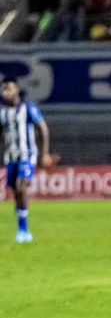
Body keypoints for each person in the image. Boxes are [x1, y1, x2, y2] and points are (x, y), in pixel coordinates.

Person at [1, 77, 54, 244]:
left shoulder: (28, 108)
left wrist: (44, 154)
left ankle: (24, 230)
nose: (5, 93)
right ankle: (21, 226)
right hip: (10, 156)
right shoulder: (2, 112)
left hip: (27, 155)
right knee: (15, 192)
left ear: (16, 89)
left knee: (22, 185)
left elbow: (43, 129)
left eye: (8, 89)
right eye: (3, 90)